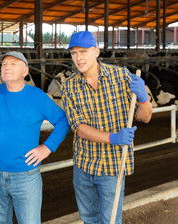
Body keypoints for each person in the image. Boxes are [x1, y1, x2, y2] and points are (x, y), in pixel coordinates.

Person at [0, 51, 70, 224]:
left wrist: (47, 147)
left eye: (13, 64)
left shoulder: (38, 97)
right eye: (4, 64)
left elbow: (62, 120)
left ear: (25, 71)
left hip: (26, 174)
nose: (7, 67)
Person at [61, 31, 153, 224]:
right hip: (83, 165)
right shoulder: (69, 86)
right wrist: (113, 138)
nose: (78, 58)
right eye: (74, 53)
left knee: (110, 220)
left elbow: (144, 118)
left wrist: (143, 99)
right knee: (89, 219)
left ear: (96, 51)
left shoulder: (121, 77)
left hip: (112, 166)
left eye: (83, 51)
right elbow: (78, 128)